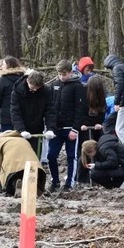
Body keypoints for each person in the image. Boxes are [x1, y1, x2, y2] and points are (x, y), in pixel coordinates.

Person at [45, 60, 79, 192]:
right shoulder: (54, 85)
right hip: (56, 129)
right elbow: (50, 109)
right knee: (51, 155)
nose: (61, 77)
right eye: (59, 74)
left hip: (70, 129)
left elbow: (80, 110)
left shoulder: (77, 87)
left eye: (64, 74)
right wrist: (50, 127)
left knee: (71, 156)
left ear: (70, 72)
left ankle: (69, 183)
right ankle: (55, 181)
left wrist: (75, 129)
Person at [10, 70, 56, 159]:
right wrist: (21, 130)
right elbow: (15, 112)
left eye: (37, 88)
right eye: (32, 87)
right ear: (27, 80)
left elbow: (50, 110)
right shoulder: (17, 91)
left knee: (35, 157)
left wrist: (50, 128)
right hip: (22, 129)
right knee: (21, 157)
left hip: (37, 128)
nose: (35, 89)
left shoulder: (45, 91)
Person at [73, 75, 109, 186]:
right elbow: (80, 111)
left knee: (98, 150)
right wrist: (82, 125)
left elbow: (102, 111)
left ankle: (97, 176)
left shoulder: (101, 97)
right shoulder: (84, 95)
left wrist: (99, 123)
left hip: (96, 128)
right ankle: (81, 179)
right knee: (83, 152)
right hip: (84, 127)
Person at [0, 130, 47, 197]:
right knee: (30, 178)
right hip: (34, 166)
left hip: (14, 167)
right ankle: (33, 190)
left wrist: (1, 175)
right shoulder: (21, 139)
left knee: (12, 177)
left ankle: (16, 185)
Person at [0, 56, 24, 133]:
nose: (2, 66)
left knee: (7, 139)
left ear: (9, 65)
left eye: (4, 64)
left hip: (6, 116)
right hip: (22, 116)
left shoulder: (2, 80)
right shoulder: (24, 78)